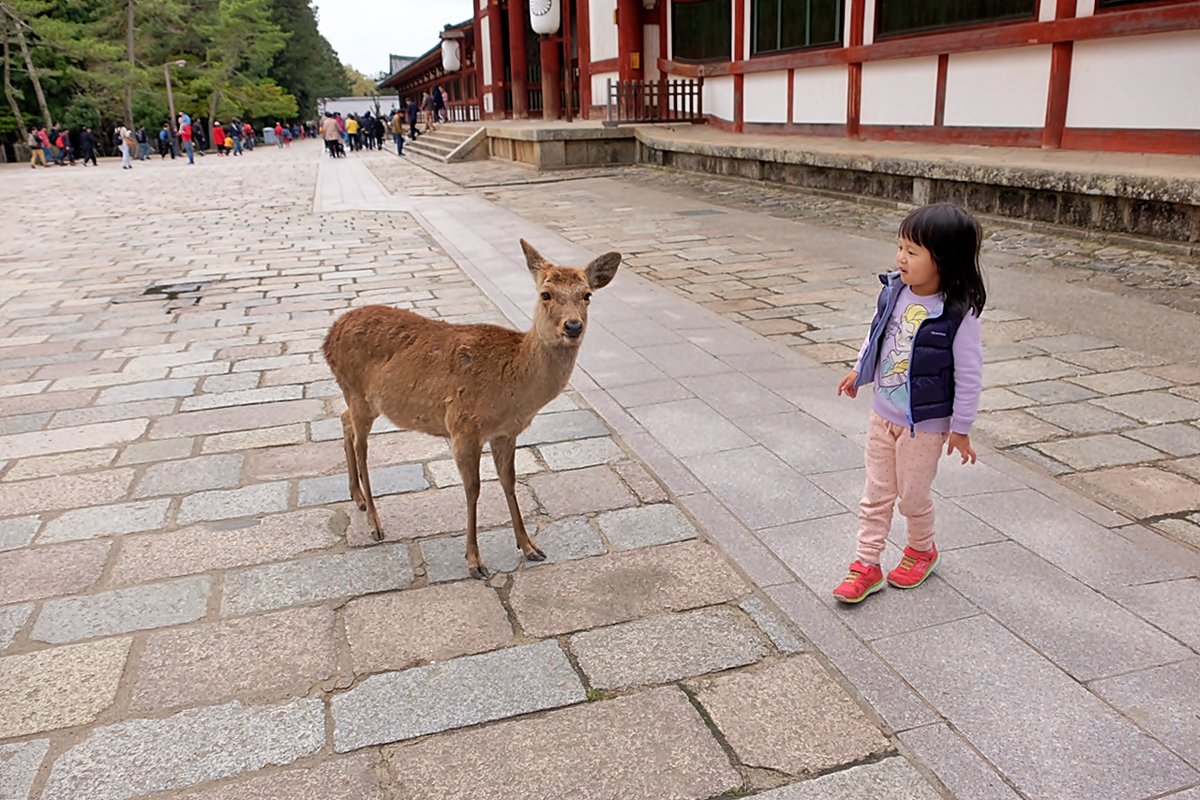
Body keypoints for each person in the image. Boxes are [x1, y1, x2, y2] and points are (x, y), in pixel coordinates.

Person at [832, 202, 986, 604]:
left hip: (925, 425)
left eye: (913, 251)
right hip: (882, 415)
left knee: (912, 497)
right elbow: (876, 337)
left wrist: (962, 428)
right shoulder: (892, 293)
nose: (901, 257)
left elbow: (969, 375)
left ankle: (921, 549)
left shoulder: (957, 314)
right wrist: (858, 371)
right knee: (876, 493)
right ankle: (866, 563)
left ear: (944, 260)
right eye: (900, 247)